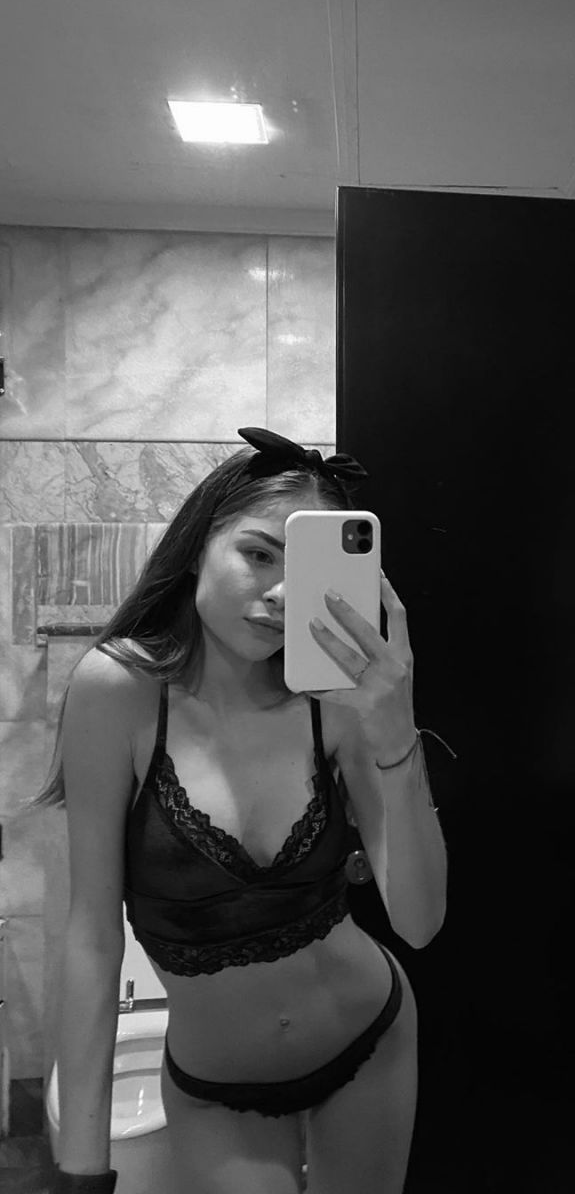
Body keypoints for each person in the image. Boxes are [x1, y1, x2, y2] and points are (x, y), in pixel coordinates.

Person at [35, 428, 448, 1194]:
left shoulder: (335, 699)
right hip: (216, 1091)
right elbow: (92, 933)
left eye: (305, 571)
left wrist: (396, 732)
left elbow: (420, 923)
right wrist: (83, 1170)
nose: (282, 594)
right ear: (199, 546)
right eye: (258, 554)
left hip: (370, 1041)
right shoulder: (117, 692)